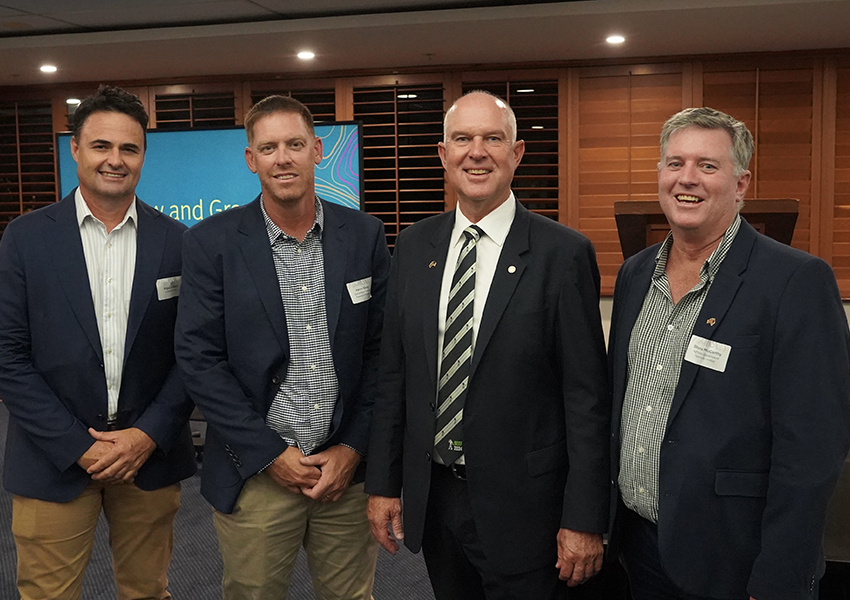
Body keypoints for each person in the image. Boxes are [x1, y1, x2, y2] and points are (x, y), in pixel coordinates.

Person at [365, 90, 611, 600]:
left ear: (516, 154)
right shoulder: (413, 246)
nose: (476, 152)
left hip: (527, 508)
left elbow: (586, 398)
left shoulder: (563, 254)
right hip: (435, 499)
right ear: (443, 154)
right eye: (462, 139)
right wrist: (385, 485)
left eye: (492, 138)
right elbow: (395, 375)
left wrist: (585, 517)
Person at [609, 106, 850, 600]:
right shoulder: (635, 275)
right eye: (674, 163)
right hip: (639, 545)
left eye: (708, 166)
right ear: (660, 174)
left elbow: (813, 447)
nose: (687, 179)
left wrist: (780, 573)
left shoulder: (795, 281)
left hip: (736, 557)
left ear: (740, 184)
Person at [175, 95, 390, 600]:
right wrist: (269, 453)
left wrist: (353, 448)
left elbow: (383, 353)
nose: (283, 158)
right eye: (268, 148)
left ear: (317, 150)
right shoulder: (212, 242)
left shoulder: (363, 235)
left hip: (345, 473)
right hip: (258, 473)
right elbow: (199, 359)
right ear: (251, 160)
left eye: (295, 144)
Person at [0, 84, 196, 600]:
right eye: (101, 146)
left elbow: (193, 355)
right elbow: (8, 357)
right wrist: (78, 446)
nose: (115, 160)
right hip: (53, 457)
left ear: (144, 156)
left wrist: (146, 435)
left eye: (129, 149)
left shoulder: (179, 242)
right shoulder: (25, 239)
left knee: (148, 592)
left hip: (147, 458)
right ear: (76, 149)